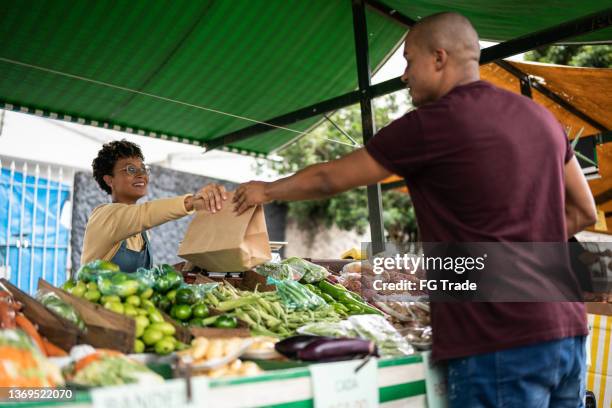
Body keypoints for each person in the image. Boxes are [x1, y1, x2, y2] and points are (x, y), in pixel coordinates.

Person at [233, 12, 597, 407]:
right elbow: (583, 211)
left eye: (409, 61)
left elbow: (328, 179)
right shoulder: (542, 119)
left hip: (498, 336)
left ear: (439, 58)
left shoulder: (434, 123)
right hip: (567, 329)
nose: (405, 75)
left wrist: (265, 189)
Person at [81, 139, 227, 272]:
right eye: (130, 170)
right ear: (109, 180)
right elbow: (145, 214)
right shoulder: (104, 216)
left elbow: (144, 278)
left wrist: (191, 263)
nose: (141, 175)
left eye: (143, 169)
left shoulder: (143, 233)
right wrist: (192, 202)